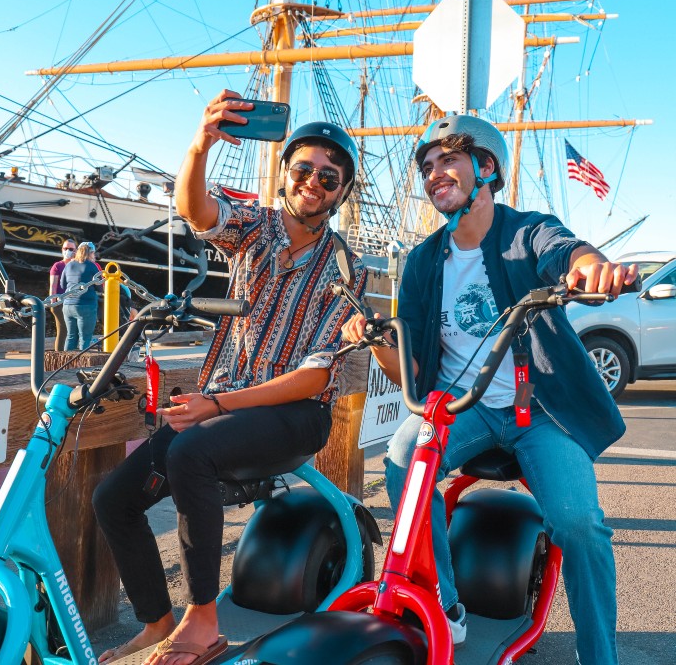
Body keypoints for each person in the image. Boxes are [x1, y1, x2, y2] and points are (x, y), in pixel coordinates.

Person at [342, 115, 637, 665]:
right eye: (427, 166)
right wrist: (372, 336)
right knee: (405, 457)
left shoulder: (525, 231)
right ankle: (447, 606)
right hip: (460, 406)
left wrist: (590, 266)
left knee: (579, 524)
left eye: (448, 159)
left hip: (539, 407)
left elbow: (565, 249)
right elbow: (408, 367)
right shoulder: (424, 262)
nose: (434, 173)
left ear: (487, 168)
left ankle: (600, 656)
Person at [92, 88, 367, 665]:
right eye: (304, 169)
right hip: (223, 405)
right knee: (113, 498)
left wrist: (217, 407)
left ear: (340, 193)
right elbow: (197, 210)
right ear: (286, 174)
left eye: (328, 177)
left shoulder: (345, 266)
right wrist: (201, 144)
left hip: (292, 415)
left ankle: (203, 620)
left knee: (191, 452)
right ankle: (156, 620)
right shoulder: (254, 228)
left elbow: (317, 375)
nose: (313, 182)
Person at [59, 241, 101, 351]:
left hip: (68, 305)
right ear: (91, 253)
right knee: (84, 338)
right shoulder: (92, 266)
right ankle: (81, 366)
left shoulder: (69, 265)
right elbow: (99, 287)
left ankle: (66, 365)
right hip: (85, 305)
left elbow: (63, 285)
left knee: (71, 336)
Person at [49, 238, 77, 351]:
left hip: (74, 303)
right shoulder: (58, 266)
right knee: (63, 330)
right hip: (60, 303)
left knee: (74, 331)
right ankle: (59, 355)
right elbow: (53, 285)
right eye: (65, 248)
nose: (68, 251)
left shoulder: (77, 265)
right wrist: (53, 303)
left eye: (71, 249)